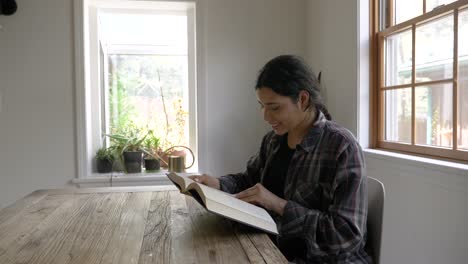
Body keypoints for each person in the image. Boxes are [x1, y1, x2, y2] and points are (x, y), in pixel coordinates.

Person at [189, 55, 373, 263]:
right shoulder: (273, 141)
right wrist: (217, 183)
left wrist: (278, 205)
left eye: (274, 107)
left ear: (303, 100)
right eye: (262, 105)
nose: (266, 116)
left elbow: (346, 236)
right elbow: (250, 181)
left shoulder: (341, 146)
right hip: (274, 250)